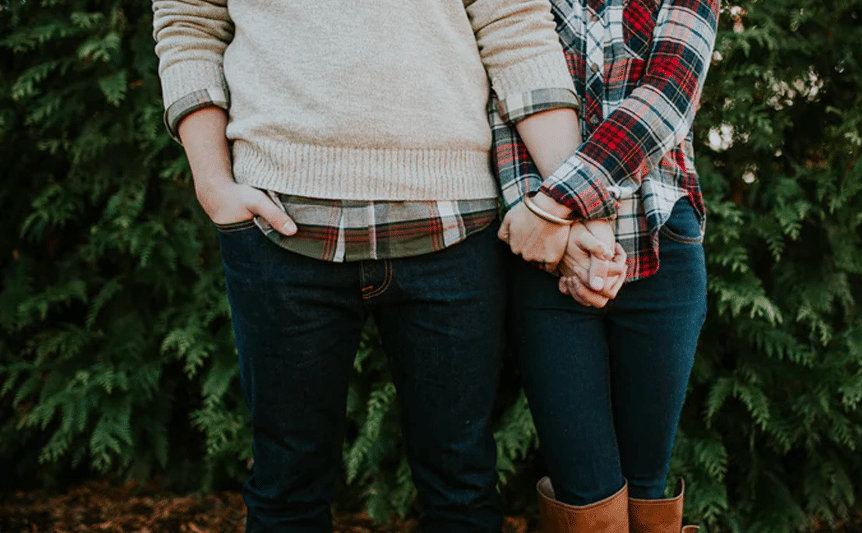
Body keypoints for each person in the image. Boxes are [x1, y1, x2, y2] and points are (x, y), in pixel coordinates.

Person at [151, 1, 591, 531]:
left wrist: (571, 198)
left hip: (453, 225)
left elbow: (514, 26)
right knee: (285, 488)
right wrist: (213, 184)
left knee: (462, 487)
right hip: (280, 225)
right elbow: (188, 24)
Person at [493, 0, 721, 531]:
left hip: (660, 242)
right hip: (549, 259)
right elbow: (504, 103)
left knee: (647, 487)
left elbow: (668, 97)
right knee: (584, 493)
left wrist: (556, 205)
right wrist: (558, 231)